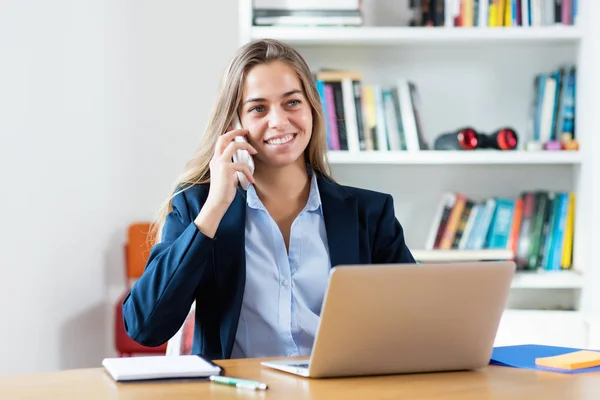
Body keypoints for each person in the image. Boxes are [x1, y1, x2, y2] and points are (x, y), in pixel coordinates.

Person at [122, 38, 416, 360]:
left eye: (292, 102)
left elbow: (416, 320)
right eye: (258, 108)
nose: (278, 121)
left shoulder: (370, 214)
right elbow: (145, 327)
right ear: (235, 123)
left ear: (312, 110)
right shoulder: (197, 207)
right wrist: (215, 207)